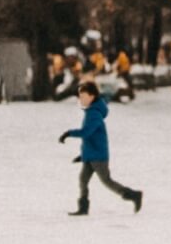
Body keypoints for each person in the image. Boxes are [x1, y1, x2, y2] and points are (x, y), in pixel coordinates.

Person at [59, 81, 142, 216]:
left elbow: (86, 132)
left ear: (92, 96)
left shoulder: (94, 114)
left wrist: (68, 133)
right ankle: (83, 208)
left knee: (106, 181)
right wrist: (83, 155)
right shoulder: (91, 112)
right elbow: (90, 138)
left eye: (83, 96)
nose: (80, 99)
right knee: (83, 179)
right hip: (91, 155)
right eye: (80, 96)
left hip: (98, 156)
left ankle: (133, 195)